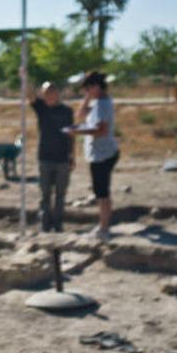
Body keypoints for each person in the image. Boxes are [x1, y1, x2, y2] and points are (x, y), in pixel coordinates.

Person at [67, 72, 119, 241]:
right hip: (100, 153)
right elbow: (81, 114)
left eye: (88, 89)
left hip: (102, 154)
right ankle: (103, 225)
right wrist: (87, 99)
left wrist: (78, 131)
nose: (86, 93)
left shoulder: (103, 104)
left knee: (102, 193)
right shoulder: (98, 102)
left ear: (96, 86)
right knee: (100, 192)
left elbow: (101, 131)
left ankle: (104, 228)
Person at [26, 81, 75, 232]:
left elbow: (71, 135)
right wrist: (24, 77)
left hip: (62, 159)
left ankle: (58, 225)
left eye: (52, 92)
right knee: (45, 195)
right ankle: (45, 225)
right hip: (45, 158)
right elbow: (29, 95)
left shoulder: (67, 111)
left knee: (61, 195)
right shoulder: (41, 108)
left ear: (58, 93)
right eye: (46, 92)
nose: (49, 95)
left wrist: (73, 156)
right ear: (43, 94)